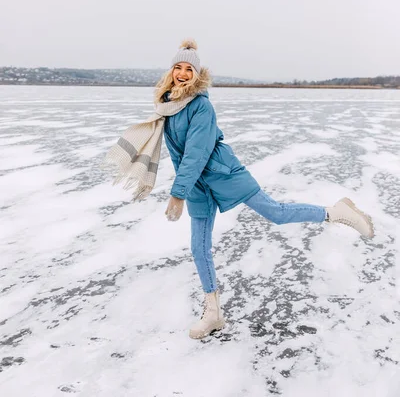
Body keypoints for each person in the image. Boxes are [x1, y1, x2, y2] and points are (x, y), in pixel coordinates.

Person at [106, 39, 374, 340]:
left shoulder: (200, 105)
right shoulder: (168, 104)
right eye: (178, 67)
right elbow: (183, 156)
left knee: (276, 212)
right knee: (199, 248)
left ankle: (335, 212)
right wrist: (186, 188)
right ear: (170, 72)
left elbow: (195, 152)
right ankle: (214, 313)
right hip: (197, 184)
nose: (182, 73)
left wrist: (178, 193)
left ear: (197, 74)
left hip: (223, 173)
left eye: (189, 69)